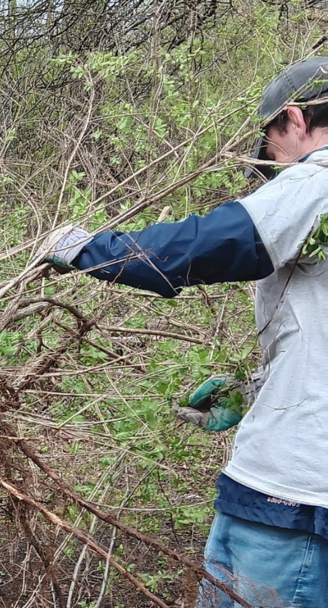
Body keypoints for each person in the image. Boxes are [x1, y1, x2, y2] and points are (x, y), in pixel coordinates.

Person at [37, 57, 328, 607]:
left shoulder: (316, 184)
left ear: (293, 121)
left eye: (268, 148)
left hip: (293, 498)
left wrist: (84, 247)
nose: (270, 168)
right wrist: (258, 390)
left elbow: (191, 251)